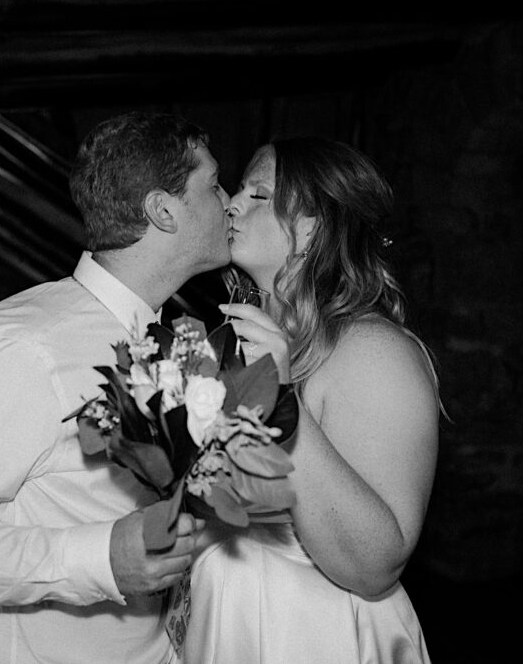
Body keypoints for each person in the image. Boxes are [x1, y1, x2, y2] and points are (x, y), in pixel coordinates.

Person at [0, 111, 230, 664]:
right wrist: (99, 558)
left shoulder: (168, 337)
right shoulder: (27, 343)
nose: (229, 202)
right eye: (214, 185)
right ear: (163, 210)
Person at [181, 138, 439, 663]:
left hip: (318, 637)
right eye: (238, 189)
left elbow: (375, 566)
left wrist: (280, 402)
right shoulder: (231, 345)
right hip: (230, 632)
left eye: (258, 194)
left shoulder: (371, 352)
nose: (231, 202)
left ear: (311, 228)